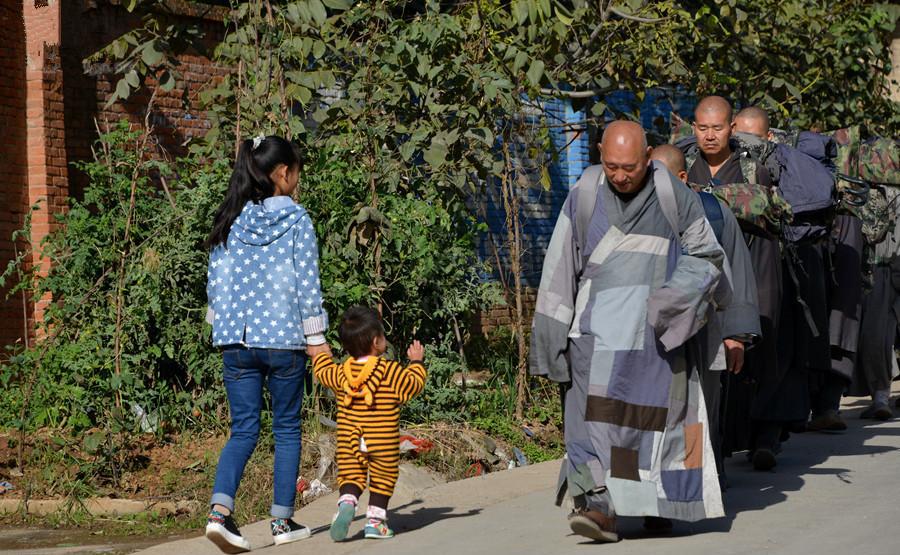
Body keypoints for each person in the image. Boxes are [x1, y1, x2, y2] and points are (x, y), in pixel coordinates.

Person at [531, 121, 726, 542]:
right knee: (593, 426)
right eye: (612, 165)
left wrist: (672, 302)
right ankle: (600, 508)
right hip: (594, 341)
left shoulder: (674, 196)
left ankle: (657, 503)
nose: (620, 175)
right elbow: (559, 269)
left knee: (656, 426)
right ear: (600, 153)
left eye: (630, 168)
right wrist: (550, 341)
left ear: (649, 156)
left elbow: (709, 255)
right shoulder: (584, 194)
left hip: (657, 342)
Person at [204, 135, 330, 553]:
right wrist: (317, 341)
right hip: (283, 342)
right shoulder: (298, 221)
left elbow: (217, 283)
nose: (297, 180)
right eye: (295, 172)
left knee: (243, 429)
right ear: (282, 174)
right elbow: (308, 287)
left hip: (235, 341)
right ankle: (281, 521)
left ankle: (219, 515)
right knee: (287, 428)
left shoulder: (231, 219)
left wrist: (220, 325)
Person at [685, 97, 799, 471]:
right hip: (702, 275)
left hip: (753, 265)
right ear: (693, 128)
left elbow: (767, 217)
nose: (710, 136)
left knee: (758, 355)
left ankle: (763, 438)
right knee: (711, 366)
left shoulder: (752, 170)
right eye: (703, 128)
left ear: (732, 129)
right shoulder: (686, 165)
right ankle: (718, 452)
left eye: (717, 128)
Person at [733, 108, 849, 433]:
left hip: (780, 266)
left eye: (751, 137)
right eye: (738, 135)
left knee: (779, 346)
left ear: (769, 137)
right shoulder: (724, 163)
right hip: (736, 267)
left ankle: (768, 435)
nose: (744, 143)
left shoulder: (786, 166)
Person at [651, 144, 761, 488]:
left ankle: (698, 479)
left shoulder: (712, 211)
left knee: (700, 411)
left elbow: (736, 274)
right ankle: (652, 485)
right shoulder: (636, 211)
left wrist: (736, 334)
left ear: (682, 178)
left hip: (704, 332)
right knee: (652, 413)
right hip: (652, 335)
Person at [312, 306, 427, 541]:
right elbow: (412, 385)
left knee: (352, 475)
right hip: (382, 440)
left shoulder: (342, 372)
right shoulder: (390, 371)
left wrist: (321, 354)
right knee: (382, 477)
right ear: (377, 342)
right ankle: (375, 523)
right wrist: (416, 362)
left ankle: (346, 504)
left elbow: (323, 372)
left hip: (349, 439)